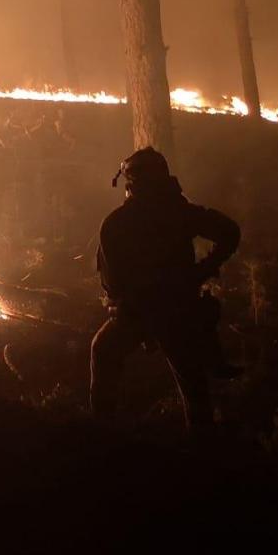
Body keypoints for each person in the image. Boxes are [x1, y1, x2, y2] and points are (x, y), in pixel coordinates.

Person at [90, 147, 241, 428]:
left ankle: (102, 429)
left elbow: (113, 282)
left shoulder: (117, 222)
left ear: (131, 182)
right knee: (192, 383)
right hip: (177, 309)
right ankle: (203, 442)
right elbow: (230, 232)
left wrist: (123, 307)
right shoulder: (181, 213)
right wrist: (202, 271)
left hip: (138, 312)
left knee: (103, 351)